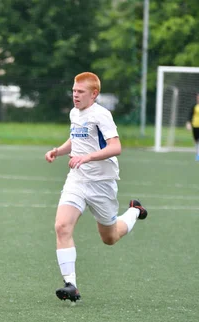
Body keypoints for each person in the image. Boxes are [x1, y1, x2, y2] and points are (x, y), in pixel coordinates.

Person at [44, 72, 148, 302]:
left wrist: (87, 157)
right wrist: (58, 151)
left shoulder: (102, 115)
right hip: (77, 180)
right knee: (62, 226)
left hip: (102, 185)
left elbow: (116, 147)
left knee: (110, 237)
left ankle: (134, 211)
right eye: (73, 91)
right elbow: (76, 138)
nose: (75, 95)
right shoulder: (74, 113)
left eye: (80, 92)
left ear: (94, 94)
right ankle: (70, 284)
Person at [185, 92, 199, 161]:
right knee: (196, 141)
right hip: (195, 126)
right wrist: (188, 123)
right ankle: (197, 154)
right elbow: (190, 115)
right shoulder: (194, 106)